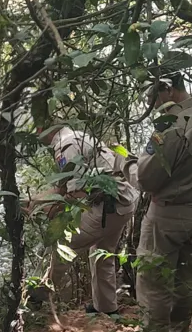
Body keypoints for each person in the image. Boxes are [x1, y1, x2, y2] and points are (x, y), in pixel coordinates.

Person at [116, 74, 192, 332]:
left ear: (166, 89)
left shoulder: (170, 126)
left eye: (151, 97)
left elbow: (145, 179)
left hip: (169, 214)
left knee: (154, 284)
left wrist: (127, 164)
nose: (150, 105)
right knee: (182, 280)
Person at [26, 125, 139, 315]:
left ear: (44, 129)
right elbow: (63, 188)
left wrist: (50, 209)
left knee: (64, 243)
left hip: (109, 205)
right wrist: (34, 201)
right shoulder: (78, 135)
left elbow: (75, 194)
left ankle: (37, 296)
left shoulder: (65, 145)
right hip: (123, 201)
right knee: (102, 253)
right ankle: (106, 307)